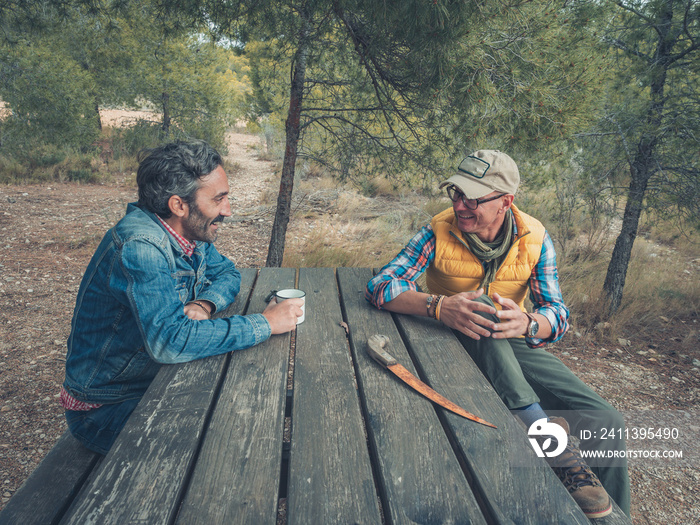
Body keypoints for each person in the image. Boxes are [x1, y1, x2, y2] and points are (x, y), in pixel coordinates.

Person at [366, 150, 630, 518]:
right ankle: (547, 438)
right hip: (447, 338)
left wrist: (529, 324)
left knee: (606, 420)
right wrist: (439, 306)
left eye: (473, 198)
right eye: (456, 193)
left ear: (506, 201)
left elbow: (557, 313)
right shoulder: (438, 230)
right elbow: (381, 285)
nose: (461, 205)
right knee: (486, 308)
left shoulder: (535, 237)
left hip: (512, 341)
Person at [61, 140, 302, 455]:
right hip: (108, 408)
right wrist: (265, 323)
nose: (227, 210)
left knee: (246, 401)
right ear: (178, 205)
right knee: (230, 442)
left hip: (152, 378)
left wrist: (203, 303)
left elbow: (228, 274)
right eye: (219, 199)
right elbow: (170, 341)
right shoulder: (141, 247)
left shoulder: (187, 230)